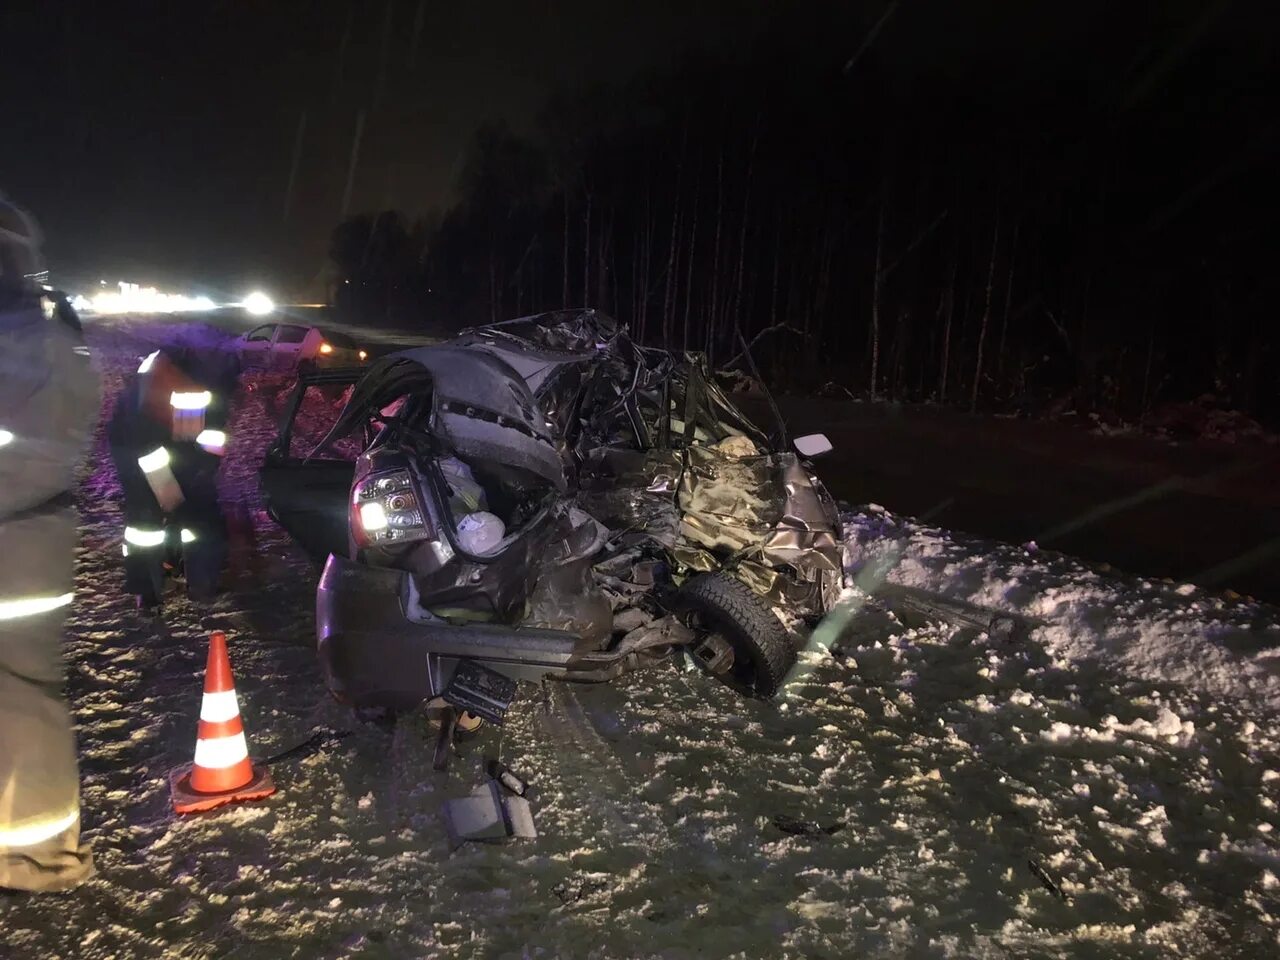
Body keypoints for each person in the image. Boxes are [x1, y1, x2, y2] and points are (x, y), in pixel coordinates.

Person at [0, 195, 99, 892]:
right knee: (20, 693)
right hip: (31, 538)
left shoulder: (25, 345)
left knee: (20, 697)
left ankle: (35, 854)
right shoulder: (45, 338)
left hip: (18, 543)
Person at [107, 345, 238, 606]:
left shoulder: (201, 377)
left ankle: (185, 581)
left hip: (166, 452)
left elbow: (210, 434)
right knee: (150, 527)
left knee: (190, 519)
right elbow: (148, 442)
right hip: (143, 454)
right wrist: (172, 491)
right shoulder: (168, 382)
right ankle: (157, 592)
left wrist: (204, 469)